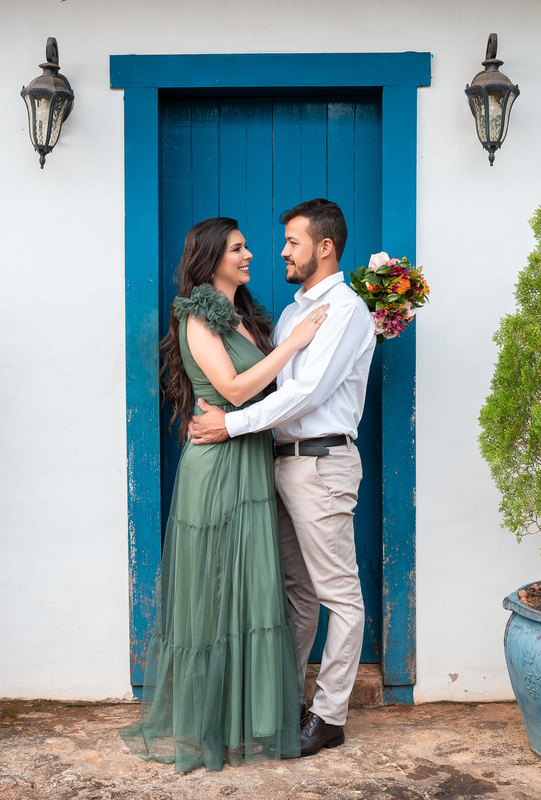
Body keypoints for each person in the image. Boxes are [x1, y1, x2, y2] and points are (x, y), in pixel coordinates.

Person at [120, 217, 329, 773]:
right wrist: (296, 343)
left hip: (251, 462)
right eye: (238, 248)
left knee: (248, 589)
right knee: (215, 588)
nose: (251, 254)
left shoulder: (244, 318)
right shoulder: (195, 315)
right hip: (216, 468)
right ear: (211, 258)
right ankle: (207, 724)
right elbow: (235, 389)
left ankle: (244, 718)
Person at [188, 199, 376, 757]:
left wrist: (232, 425)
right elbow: (270, 380)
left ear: (324, 247)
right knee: (295, 593)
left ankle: (329, 714)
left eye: (292, 242)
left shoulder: (344, 311)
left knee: (338, 594)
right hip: (281, 462)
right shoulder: (296, 314)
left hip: (321, 462)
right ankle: (284, 699)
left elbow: (306, 392)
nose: (281, 252)